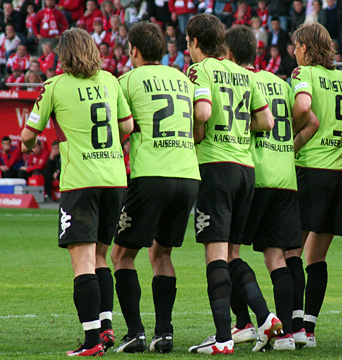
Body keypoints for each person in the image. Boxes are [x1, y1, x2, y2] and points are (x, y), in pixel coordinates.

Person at [20, 27, 133, 356]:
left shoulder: (54, 86)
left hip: (80, 182)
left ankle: (91, 341)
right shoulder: (111, 80)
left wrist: (28, 149)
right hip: (114, 180)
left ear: (63, 54)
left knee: (82, 261)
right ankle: (107, 328)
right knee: (100, 257)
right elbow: (126, 126)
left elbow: (28, 134)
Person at [184, 14, 276, 355]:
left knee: (215, 255)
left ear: (194, 41)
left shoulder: (200, 70)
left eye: (188, 42)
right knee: (233, 254)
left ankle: (223, 339)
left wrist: (198, 134)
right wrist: (237, 131)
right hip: (245, 169)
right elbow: (265, 121)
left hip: (216, 168)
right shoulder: (244, 73)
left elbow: (204, 113)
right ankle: (265, 318)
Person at [110, 21, 201, 354]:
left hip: (152, 173)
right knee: (161, 252)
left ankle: (135, 332)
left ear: (134, 50)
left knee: (121, 254)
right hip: (188, 174)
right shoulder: (182, 77)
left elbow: (122, 125)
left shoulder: (128, 80)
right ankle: (165, 333)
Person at [223, 24, 301, 351]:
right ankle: (286, 335)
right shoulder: (279, 82)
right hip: (285, 175)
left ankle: (243, 323)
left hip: (255, 173)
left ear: (228, 54)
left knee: (226, 253)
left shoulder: (239, 81)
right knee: (276, 256)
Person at [289, 22, 342, 347]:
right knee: (317, 258)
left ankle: (294, 328)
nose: (293, 52)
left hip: (309, 170)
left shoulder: (303, 75)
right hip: (339, 174)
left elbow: (303, 109)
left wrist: (291, 136)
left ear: (304, 47)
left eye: (295, 46)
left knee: (291, 252)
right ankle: (310, 329)